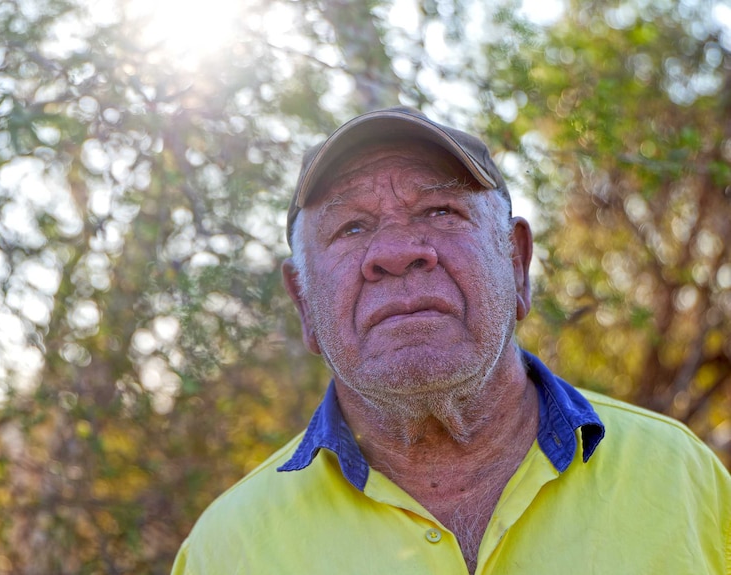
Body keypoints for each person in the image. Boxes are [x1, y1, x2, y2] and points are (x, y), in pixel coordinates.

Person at [171, 107, 731, 574]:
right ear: (303, 303)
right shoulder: (226, 549)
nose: (396, 252)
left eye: (440, 210)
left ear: (516, 263)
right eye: (351, 227)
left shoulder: (683, 478)